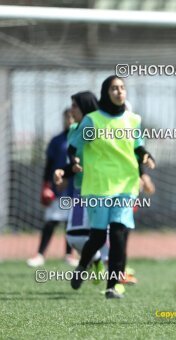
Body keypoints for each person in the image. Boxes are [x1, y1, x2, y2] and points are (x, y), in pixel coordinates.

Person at [67, 76, 155, 298]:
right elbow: (74, 146)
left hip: (126, 185)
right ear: (106, 92)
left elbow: (138, 145)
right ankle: (82, 267)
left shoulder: (133, 119)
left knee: (118, 234)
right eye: (114, 88)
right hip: (98, 187)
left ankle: (112, 285)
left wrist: (145, 155)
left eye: (122, 88)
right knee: (97, 237)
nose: (119, 92)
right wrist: (74, 161)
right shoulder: (92, 121)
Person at [54, 91, 106, 284]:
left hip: (101, 189)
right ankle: (97, 260)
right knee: (74, 237)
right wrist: (63, 172)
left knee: (103, 234)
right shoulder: (74, 129)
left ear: (85, 107)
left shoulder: (99, 127)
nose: (72, 110)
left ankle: (114, 278)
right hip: (79, 190)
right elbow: (74, 160)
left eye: (75, 106)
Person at [27, 108, 78, 268]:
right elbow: (49, 165)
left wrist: (68, 178)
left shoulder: (80, 138)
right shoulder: (56, 140)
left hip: (75, 189)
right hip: (58, 190)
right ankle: (40, 254)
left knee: (72, 223)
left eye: (72, 117)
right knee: (51, 221)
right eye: (66, 117)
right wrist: (46, 185)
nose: (69, 120)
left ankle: (70, 254)